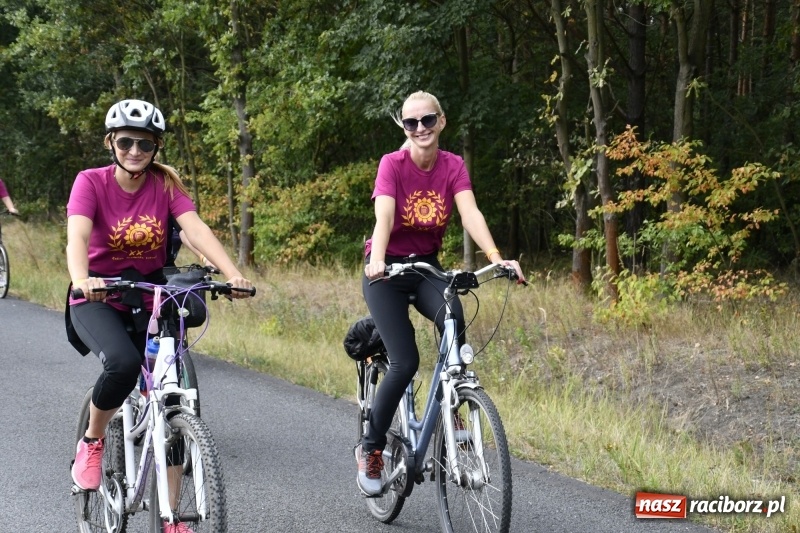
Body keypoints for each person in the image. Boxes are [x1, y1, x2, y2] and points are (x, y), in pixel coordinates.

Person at [66, 99, 252, 533]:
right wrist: (81, 278)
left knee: (169, 397)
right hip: (100, 297)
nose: (135, 150)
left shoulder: (164, 186)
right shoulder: (90, 182)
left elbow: (194, 229)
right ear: (112, 142)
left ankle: (170, 518)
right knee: (125, 365)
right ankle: (92, 441)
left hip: (153, 297)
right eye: (126, 141)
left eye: (144, 144)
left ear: (156, 147)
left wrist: (233, 273)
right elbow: (76, 234)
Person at [357, 90, 525, 496]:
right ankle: (371, 446)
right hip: (387, 272)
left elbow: (470, 212)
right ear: (403, 127)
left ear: (441, 121)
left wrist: (497, 256)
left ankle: (455, 405)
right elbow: (383, 217)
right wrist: (377, 258)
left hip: (427, 267)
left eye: (427, 120)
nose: (420, 129)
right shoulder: (391, 165)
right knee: (405, 362)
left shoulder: (453, 166)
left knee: (454, 312)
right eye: (411, 123)